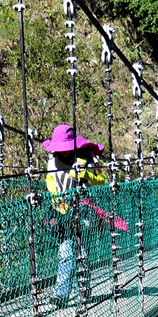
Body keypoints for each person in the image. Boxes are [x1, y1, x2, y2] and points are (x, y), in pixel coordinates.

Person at [42, 123, 107, 305]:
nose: (62, 152)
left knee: (81, 252)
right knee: (65, 252)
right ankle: (61, 294)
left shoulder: (85, 158)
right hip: (63, 211)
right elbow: (50, 181)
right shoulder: (52, 161)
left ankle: (84, 290)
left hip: (84, 210)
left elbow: (101, 180)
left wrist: (85, 174)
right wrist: (56, 201)